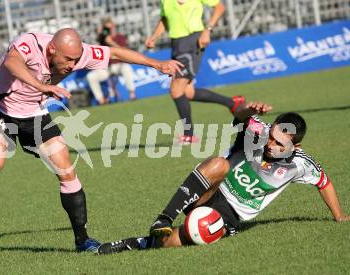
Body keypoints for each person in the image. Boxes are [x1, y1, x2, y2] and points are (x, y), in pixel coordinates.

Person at [0, 28, 183, 252]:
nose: (72, 65)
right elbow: (12, 62)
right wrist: (40, 86)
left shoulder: (77, 53)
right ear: (52, 49)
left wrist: (156, 64)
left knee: (66, 171)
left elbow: (114, 53)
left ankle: (82, 240)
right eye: (68, 60)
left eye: (76, 60)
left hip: (34, 115)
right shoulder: (30, 44)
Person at [97, 101, 350, 254]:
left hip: (229, 217)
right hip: (211, 189)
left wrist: (338, 216)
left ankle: (134, 243)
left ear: (296, 144)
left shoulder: (301, 164)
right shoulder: (257, 130)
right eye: (271, 135)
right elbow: (239, 115)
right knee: (220, 163)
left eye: (279, 142)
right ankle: (163, 218)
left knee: (180, 239)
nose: (270, 143)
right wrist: (247, 110)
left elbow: (324, 182)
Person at [145, 0, 245, 144]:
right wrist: (155, 36)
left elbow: (220, 7)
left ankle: (189, 135)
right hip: (177, 45)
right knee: (188, 92)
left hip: (193, 41)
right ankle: (232, 103)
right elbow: (165, 18)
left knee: (176, 90)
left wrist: (207, 30)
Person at [86, 17, 136, 104]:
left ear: (113, 26)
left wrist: (111, 43)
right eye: (106, 28)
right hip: (106, 67)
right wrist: (99, 36)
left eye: (109, 27)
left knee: (127, 68)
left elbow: (125, 52)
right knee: (91, 76)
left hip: (118, 65)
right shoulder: (102, 39)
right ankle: (101, 100)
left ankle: (132, 94)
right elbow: (94, 51)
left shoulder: (120, 37)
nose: (108, 30)